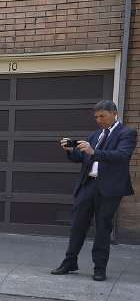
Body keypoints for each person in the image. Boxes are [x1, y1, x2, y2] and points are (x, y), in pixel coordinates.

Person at [50, 99, 136, 281]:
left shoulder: (127, 133)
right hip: (87, 185)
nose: (99, 120)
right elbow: (81, 158)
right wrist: (69, 150)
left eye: (102, 116)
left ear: (114, 114)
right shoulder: (95, 135)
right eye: (96, 117)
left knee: (103, 228)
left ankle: (99, 268)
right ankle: (70, 262)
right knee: (77, 226)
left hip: (109, 189)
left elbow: (122, 156)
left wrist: (93, 152)